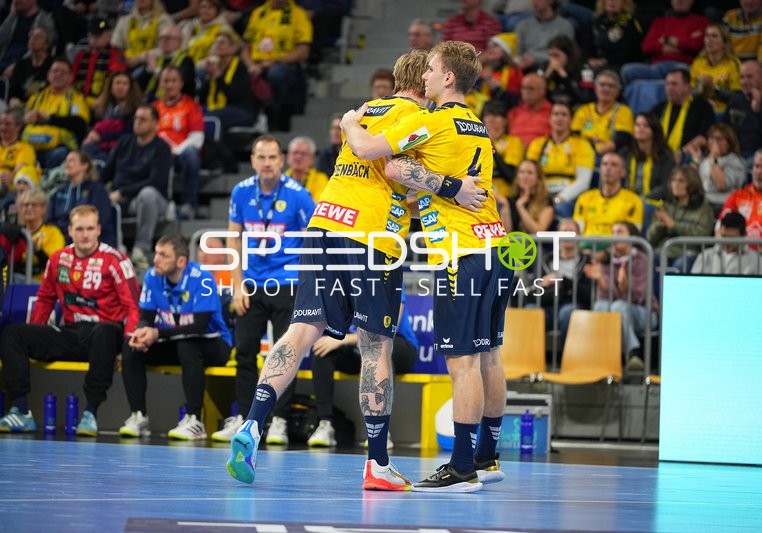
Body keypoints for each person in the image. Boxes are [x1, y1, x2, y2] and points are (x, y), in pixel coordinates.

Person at [223, 49, 488, 491]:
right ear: (423, 83)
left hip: (325, 221)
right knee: (375, 347)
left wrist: (348, 123)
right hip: (372, 236)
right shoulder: (417, 118)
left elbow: (374, 168)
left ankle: (252, 423)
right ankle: (377, 463)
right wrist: (454, 188)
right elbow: (395, 167)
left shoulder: (367, 111)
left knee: (301, 329)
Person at [341, 40, 512, 493]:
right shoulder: (477, 126)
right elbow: (434, 190)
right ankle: (487, 457)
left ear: (448, 78)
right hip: (495, 246)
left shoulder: (430, 122)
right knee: (489, 356)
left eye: (432, 69)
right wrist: (440, 190)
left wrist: (349, 123)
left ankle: (460, 468)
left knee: (462, 364)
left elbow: (378, 156)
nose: (427, 77)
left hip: (460, 254)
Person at [210, 135, 316, 447]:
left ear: (281, 160)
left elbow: (312, 241)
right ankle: (245, 418)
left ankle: (280, 420)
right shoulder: (241, 192)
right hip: (252, 285)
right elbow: (233, 240)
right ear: (253, 160)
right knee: (244, 351)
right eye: (261, 157)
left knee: (286, 353)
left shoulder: (299, 195)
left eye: (272, 157)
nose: (267, 163)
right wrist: (238, 284)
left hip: (288, 283)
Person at [0, 205, 140, 435]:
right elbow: (45, 300)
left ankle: (90, 414)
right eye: (80, 229)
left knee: (105, 332)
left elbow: (132, 307)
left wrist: (127, 347)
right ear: (70, 231)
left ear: (98, 230)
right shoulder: (59, 259)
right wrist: (35, 334)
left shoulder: (115, 260)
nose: (85, 234)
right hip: (71, 333)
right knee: (13, 334)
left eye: (90, 229)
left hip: (105, 334)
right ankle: (20, 410)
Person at [118, 234, 232, 440]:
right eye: (156, 253)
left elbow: (199, 326)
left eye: (163, 255)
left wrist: (157, 333)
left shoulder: (202, 277)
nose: (155, 259)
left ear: (181, 261)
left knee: (188, 344)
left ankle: (194, 420)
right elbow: (146, 317)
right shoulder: (153, 277)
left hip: (214, 343)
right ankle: (138, 416)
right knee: (132, 345)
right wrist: (143, 331)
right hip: (175, 342)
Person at [305, 292, 418, 448]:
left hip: (398, 344)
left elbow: (388, 330)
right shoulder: (343, 280)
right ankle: (325, 424)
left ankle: (380, 430)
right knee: (322, 352)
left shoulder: (387, 273)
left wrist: (344, 339)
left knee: (381, 350)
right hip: (358, 349)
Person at [103, 104, 173, 269]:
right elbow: (106, 172)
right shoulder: (124, 142)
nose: (137, 122)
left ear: (155, 124)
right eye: (136, 118)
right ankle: (109, 252)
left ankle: (141, 250)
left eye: (143, 119)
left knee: (147, 194)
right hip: (119, 197)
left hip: (150, 200)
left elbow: (156, 182)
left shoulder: (161, 148)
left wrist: (121, 192)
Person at [584, 220, 659, 372]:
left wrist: (625, 287)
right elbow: (606, 298)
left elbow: (640, 296)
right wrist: (602, 283)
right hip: (618, 309)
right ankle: (610, 357)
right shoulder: (606, 260)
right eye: (613, 233)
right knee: (601, 306)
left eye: (620, 232)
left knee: (618, 306)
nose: (615, 236)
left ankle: (632, 353)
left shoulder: (641, 259)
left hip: (644, 312)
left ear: (631, 237)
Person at [241, 0, 312, 131]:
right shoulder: (258, 13)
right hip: (255, 64)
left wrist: (276, 61)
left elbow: (303, 51)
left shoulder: (298, 14)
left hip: (283, 64)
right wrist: (251, 65)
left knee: (277, 74)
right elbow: (246, 46)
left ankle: (272, 117)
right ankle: (247, 120)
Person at [526, 101, 595, 217]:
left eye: (564, 115)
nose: (559, 118)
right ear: (550, 119)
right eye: (556, 114)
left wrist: (559, 198)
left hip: (568, 196)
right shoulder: (537, 144)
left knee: (559, 209)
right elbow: (528, 175)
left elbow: (583, 181)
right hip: (541, 195)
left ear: (571, 120)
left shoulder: (582, 145)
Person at [153, 66, 204, 219]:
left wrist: (176, 150)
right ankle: (160, 205)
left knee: (191, 154)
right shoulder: (154, 108)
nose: (169, 85)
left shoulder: (191, 106)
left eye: (174, 81)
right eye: (166, 81)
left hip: (181, 154)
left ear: (181, 83)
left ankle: (189, 204)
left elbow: (197, 138)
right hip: (159, 153)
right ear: (160, 84)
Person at [22, 57, 91, 169]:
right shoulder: (35, 98)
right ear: (48, 75)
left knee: (59, 155)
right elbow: (18, 120)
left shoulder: (77, 99)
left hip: (58, 149)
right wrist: (25, 119)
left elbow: (80, 124)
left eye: (63, 72)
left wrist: (50, 119)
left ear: (71, 77)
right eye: (55, 71)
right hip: (30, 147)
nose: (58, 75)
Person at [620, 0, 708, 86]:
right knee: (627, 70)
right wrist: (678, 45)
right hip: (656, 67)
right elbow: (646, 46)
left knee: (683, 74)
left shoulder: (701, 21)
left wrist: (667, 40)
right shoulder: (659, 21)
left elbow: (697, 44)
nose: (679, 1)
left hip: (683, 65)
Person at [646, 165, 715, 271]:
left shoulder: (704, 208)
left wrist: (674, 225)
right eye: (673, 180)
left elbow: (702, 235)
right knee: (645, 261)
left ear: (692, 184)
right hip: (664, 251)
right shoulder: (666, 206)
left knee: (681, 264)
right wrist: (660, 225)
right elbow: (650, 237)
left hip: (689, 253)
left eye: (681, 181)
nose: (675, 184)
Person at [47, 150, 116, 248]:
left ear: (85, 165)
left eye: (72, 160)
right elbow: (49, 221)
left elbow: (100, 221)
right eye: (66, 161)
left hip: (91, 242)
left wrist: (73, 234)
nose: (67, 164)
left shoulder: (97, 190)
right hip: (61, 242)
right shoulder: (58, 192)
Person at [651, 68, 715, 162]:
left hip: (689, 157)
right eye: (667, 84)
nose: (669, 88)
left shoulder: (703, 107)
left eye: (674, 84)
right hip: (659, 157)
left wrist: (682, 153)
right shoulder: (659, 109)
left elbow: (703, 138)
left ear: (687, 86)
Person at [573, 151, 644, 236]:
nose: (608, 168)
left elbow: (633, 233)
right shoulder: (584, 198)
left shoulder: (634, 201)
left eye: (614, 165)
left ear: (623, 172)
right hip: (587, 246)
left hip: (616, 247)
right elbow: (578, 230)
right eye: (604, 164)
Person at [82, 70, 144, 163]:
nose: (121, 87)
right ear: (111, 87)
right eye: (118, 83)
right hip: (101, 145)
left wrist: (101, 136)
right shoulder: (101, 107)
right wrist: (91, 135)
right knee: (86, 147)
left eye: (125, 84)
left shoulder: (136, 109)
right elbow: (93, 127)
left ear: (130, 88)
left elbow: (129, 134)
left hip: (122, 146)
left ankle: (104, 165)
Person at [571, 69, 634, 158]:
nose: (606, 89)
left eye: (611, 86)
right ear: (596, 88)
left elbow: (621, 140)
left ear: (618, 91)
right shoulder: (583, 110)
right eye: (602, 85)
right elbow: (574, 135)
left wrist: (594, 152)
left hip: (608, 157)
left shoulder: (624, 111)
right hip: (580, 155)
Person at [690, 211, 762, 274]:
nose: (726, 241)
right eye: (724, 236)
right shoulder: (705, 256)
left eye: (731, 238)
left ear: (743, 235)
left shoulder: (758, 261)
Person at [71, 17, 127, 108]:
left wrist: (102, 100)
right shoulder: (81, 56)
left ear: (108, 35)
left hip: (103, 102)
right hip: (79, 100)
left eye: (99, 35)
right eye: (92, 35)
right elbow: (71, 79)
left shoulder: (115, 54)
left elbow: (113, 78)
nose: (95, 39)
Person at [689, 123, 747, 211]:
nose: (714, 142)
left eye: (719, 139)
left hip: (723, 205)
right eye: (711, 138)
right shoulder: (705, 160)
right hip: (704, 203)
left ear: (729, 143)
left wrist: (714, 159)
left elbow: (721, 185)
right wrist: (696, 159)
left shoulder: (735, 161)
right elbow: (690, 184)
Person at [619, 112, 675, 202]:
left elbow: (665, 186)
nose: (640, 128)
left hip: (653, 203)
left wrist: (643, 199)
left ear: (654, 130)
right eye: (637, 125)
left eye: (645, 126)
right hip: (625, 201)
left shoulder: (665, 157)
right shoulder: (625, 153)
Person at [690, 23, 741, 117]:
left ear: (724, 42)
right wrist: (703, 96)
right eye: (707, 36)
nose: (709, 39)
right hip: (701, 110)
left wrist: (714, 90)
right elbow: (689, 93)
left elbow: (737, 97)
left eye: (714, 36)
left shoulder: (733, 63)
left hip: (723, 112)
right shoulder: (698, 63)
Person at [15, 187, 65, 282]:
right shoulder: (17, 233)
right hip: (18, 282)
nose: (29, 208)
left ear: (43, 208)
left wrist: (37, 251)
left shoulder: (53, 233)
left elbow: (54, 266)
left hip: (43, 285)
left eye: (34, 205)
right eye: (25, 205)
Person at [111, 0, 173, 70]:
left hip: (153, 65)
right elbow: (115, 46)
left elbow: (167, 49)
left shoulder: (164, 20)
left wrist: (140, 58)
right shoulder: (124, 21)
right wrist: (124, 59)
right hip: (126, 65)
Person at [496, 158, 554, 233]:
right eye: (521, 172)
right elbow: (506, 234)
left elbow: (538, 231)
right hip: (513, 244)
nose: (525, 176)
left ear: (538, 178)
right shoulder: (510, 201)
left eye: (530, 173)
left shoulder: (546, 201)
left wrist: (520, 207)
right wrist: (505, 206)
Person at [515, 0, 574, 71]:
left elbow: (564, 55)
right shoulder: (523, 25)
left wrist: (536, 59)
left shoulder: (565, 26)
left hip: (553, 68)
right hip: (527, 68)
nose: (534, 2)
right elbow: (517, 53)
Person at [483, 99, 524, 197]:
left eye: (496, 115)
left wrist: (491, 145)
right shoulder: (476, 142)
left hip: (505, 194)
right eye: (488, 115)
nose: (491, 119)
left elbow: (510, 175)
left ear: (505, 120)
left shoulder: (513, 142)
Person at [587, 0, 643, 73]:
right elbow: (587, 45)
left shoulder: (631, 22)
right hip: (597, 62)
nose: (612, 1)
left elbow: (628, 52)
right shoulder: (596, 20)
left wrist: (604, 61)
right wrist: (588, 60)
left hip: (621, 65)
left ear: (624, 3)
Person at [6, 24, 53, 106]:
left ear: (46, 45)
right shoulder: (21, 65)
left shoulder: (54, 65)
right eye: (31, 36)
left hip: (45, 106)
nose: (32, 39)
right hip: (21, 107)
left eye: (37, 37)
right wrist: (13, 100)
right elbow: (12, 92)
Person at [507, 72, 552, 147]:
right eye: (523, 88)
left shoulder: (552, 113)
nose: (526, 92)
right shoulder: (514, 113)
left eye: (531, 88)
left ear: (543, 91)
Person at [0, 108, 38, 196]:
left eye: (7, 124)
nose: (2, 127)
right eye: (1, 123)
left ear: (18, 127)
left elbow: (21, 168)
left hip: (11, 190)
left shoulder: (25, 148)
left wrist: (11, 176)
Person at [285, 135, 328, 201]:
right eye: (295, 153)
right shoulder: (280, 179)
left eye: (303, 154)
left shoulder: (320, 179)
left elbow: (318, 204)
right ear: (288, 156)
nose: (298, 157)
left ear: (312, 159)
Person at [315, 112, 342, 178]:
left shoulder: (356, 154)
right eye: (333, 128)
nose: (335, 132)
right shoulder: (324, 155)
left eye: (339, 128)